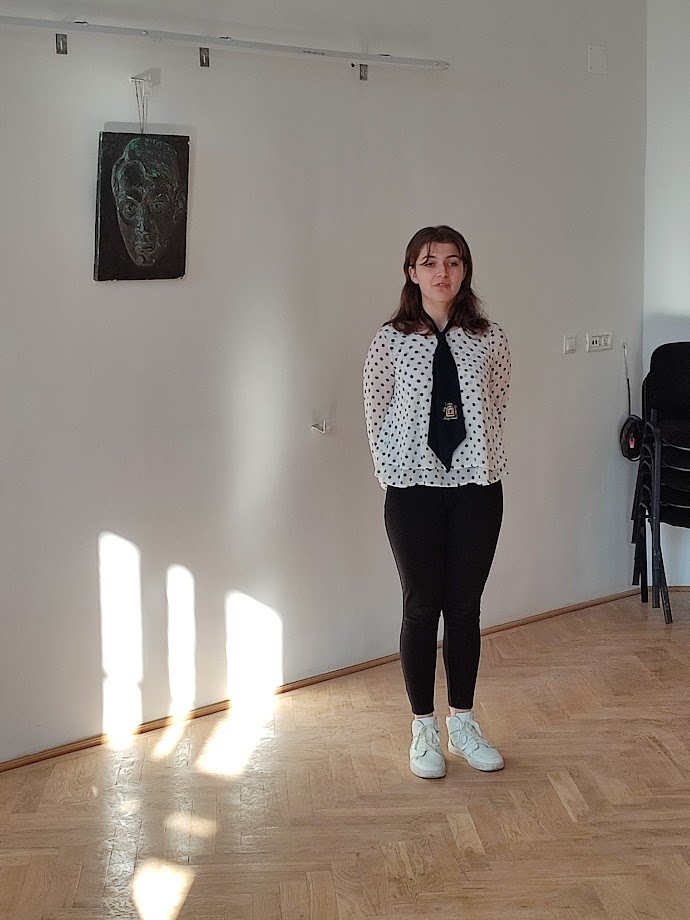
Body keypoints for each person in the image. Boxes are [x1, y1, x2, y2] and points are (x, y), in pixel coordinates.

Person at [363, 225, 510, 779]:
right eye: (429, 262)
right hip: (413, 491)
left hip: (477, 489)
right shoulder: (390, 341)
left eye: (452, 261)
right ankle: (423, 727)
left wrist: (481, 461)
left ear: (465, 270)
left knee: (465, 606)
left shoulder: (489, 338)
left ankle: (463, 723)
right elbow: (376, 409)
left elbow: (496, 404)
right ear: (412, 272)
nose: (441, 272)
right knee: (422, 605)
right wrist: (394, 471)